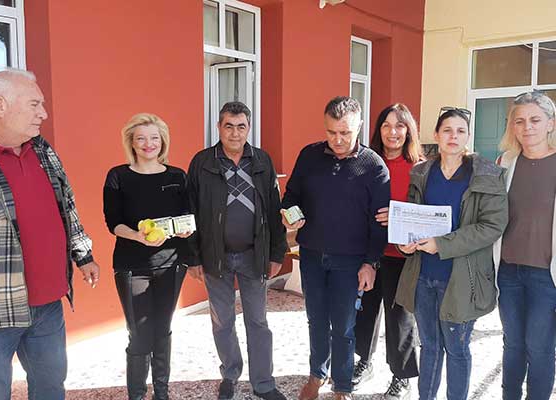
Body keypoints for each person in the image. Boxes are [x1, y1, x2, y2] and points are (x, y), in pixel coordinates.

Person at [0, 69, 100, 400]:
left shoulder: (41, 148)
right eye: (35, 104)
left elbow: (66, 204)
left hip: (47, 306)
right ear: (0, 105)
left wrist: (83, 255)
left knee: (51, 390)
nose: (43, 114)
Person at [395, 107, 508, 400]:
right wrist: (404, 242)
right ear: (436, 135)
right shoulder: (422, 172)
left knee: (456, 348)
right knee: (430, 346)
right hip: (423, 275)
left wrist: (443, 244)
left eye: (460, 131)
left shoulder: (487, 175)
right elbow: (411, 216)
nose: (453, 136)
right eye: (447, 130)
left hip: (462, 279)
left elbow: (492, 226)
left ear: (468, 136)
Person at [282, 96, 390, 400]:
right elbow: (291, 196)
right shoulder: (309, 156)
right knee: (316, 320)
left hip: (351, 261)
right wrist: (288, 212)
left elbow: (380, 222)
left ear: (359, 126)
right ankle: (317, 374)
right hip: (312, 255)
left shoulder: (374, 166)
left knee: (343, 326)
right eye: (331, 132)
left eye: (345, 132)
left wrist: (371, 263)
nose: (338, 139)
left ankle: (342, 386)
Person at [186, 101, 288, 400]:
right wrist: (193, 257)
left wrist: (276, 253)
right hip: (214, 256)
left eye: (241, 126)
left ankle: (263, 382)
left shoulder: (262, 161)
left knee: (258, 321)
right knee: (222, 321)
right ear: (219, 127)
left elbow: (274, 210)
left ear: (249, 128)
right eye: (228, 126)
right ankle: (230, 375)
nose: (234, 133)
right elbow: (190, 211)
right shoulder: (202, 162)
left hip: (254, 256)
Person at [103, 113, 191, 400]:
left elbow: (187, 216)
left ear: (163, 141)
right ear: (131, 142)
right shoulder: (118, 176)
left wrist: (186, 229)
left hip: (171, 265)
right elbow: (113, 222)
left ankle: (161, 393)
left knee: (163, 329)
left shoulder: (177, 176)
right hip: (132, 267)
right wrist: (136, 235)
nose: (148, 143)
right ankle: (138, 395)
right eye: (140, 138)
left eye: (154, 137)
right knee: (139, 334)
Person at [353, 104, 421, 399]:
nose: (393, 132)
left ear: (409, 130)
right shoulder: (365, 163)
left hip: (401, 256)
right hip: (368, 254)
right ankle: (363, 361)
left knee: (400, 319)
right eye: (386, 125)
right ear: (378, 130)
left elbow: (424, 214)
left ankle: (401, 376)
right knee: (364, 312)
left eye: (399, 126)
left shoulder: (419, 168)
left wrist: (396, 217)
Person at [494, 91, 556, 400]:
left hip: (547, 275)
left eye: (535, 120)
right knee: (513, 344)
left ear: (550, 124)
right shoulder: (506, 163)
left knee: (540, 346)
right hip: (508, 271)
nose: (527, 127)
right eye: (519, 121)